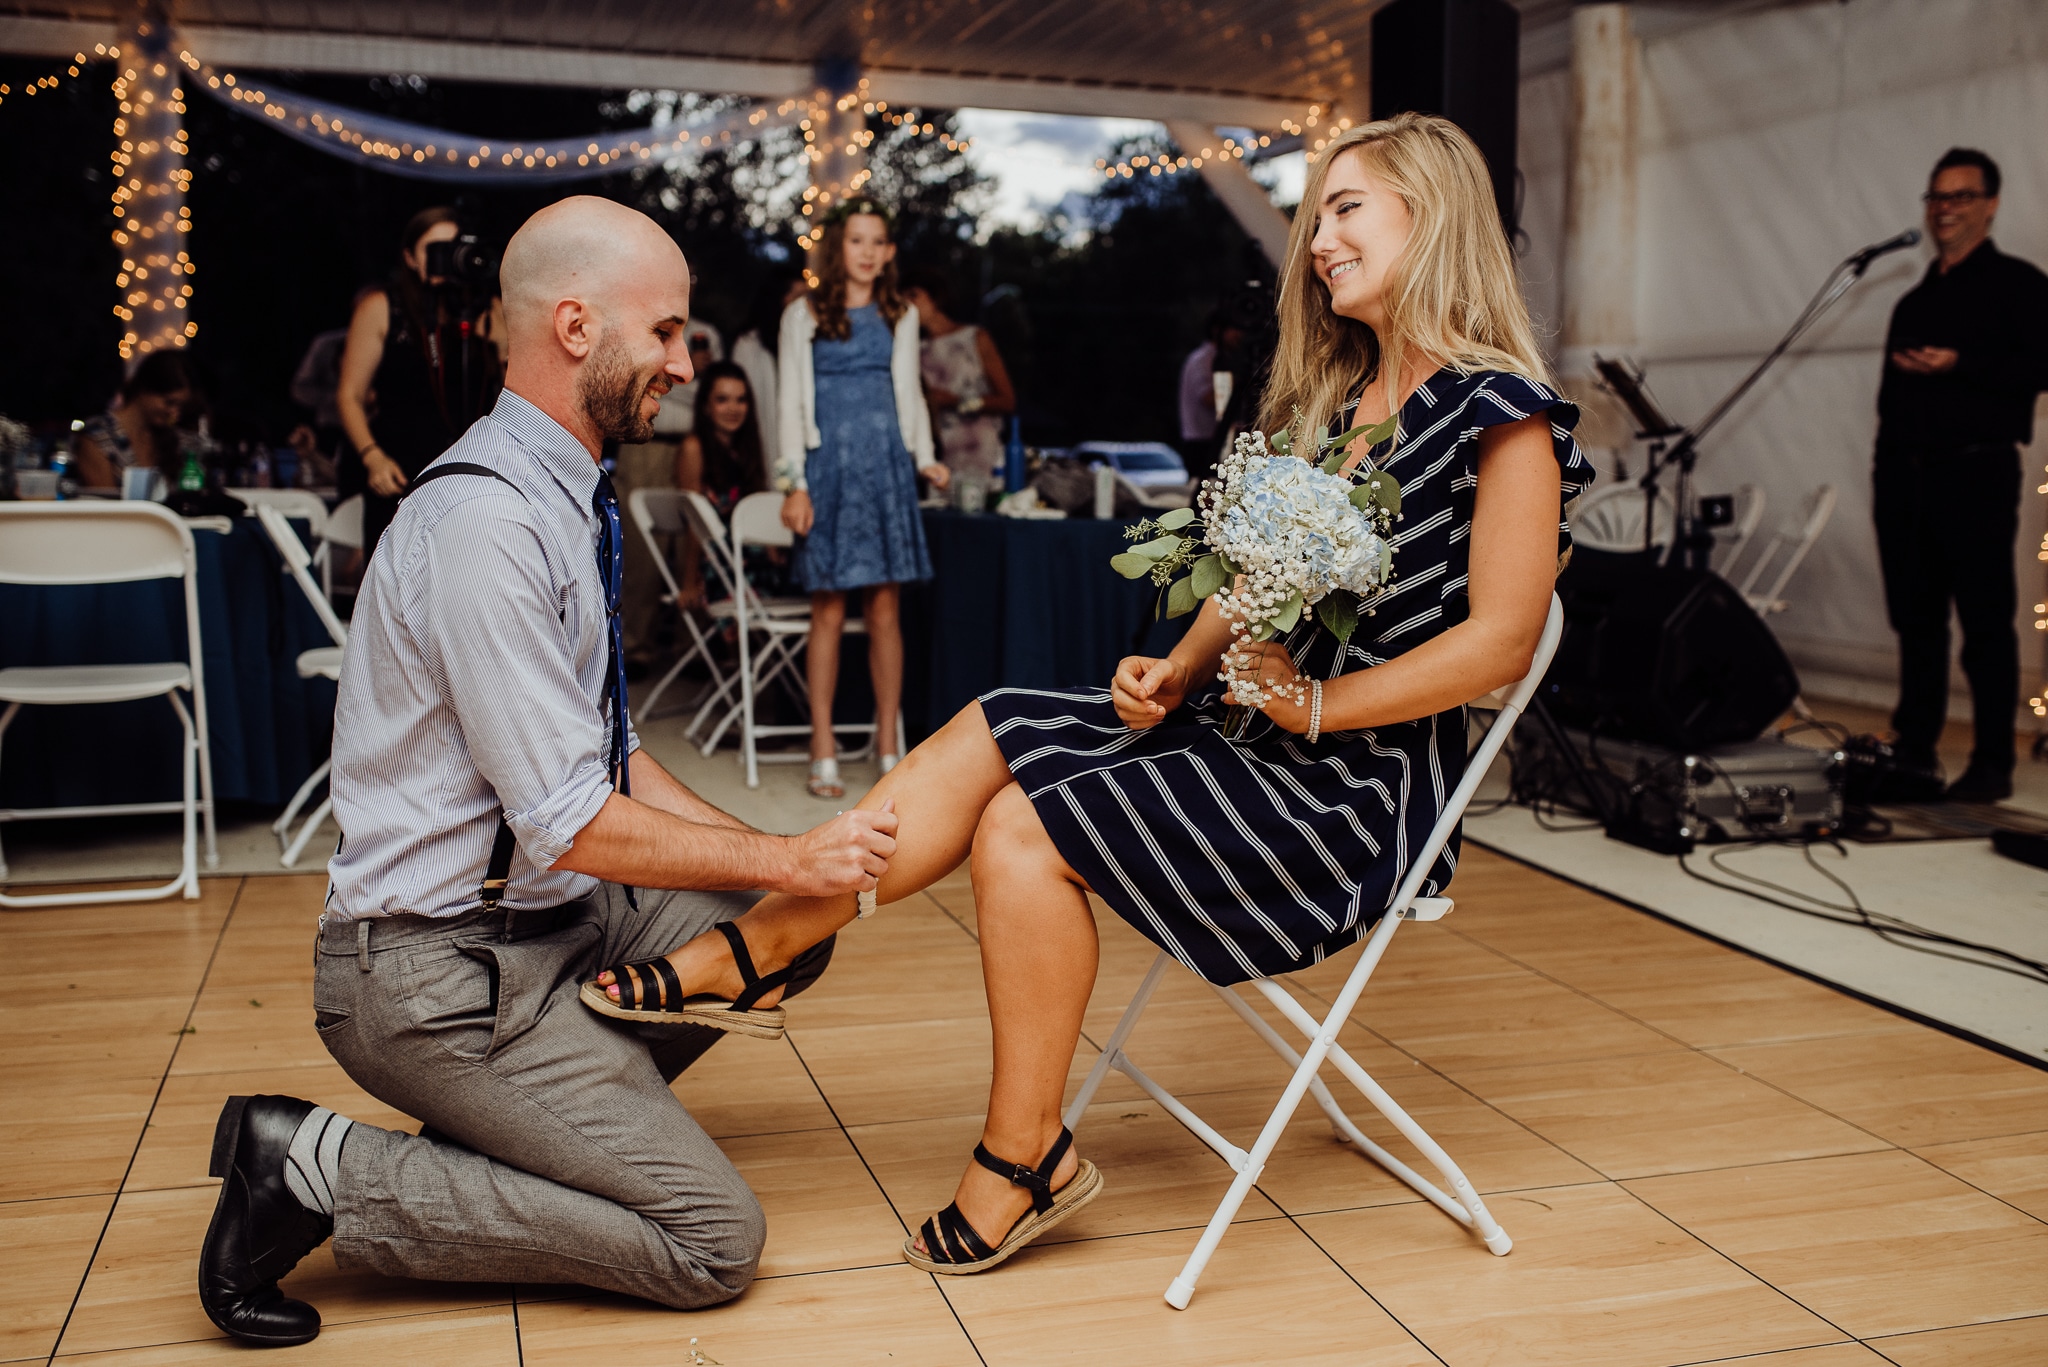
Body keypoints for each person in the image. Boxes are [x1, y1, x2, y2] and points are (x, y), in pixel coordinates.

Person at [589, 113, 1590, 1277]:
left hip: (1351, 795)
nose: (1316, 238)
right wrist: (1179, 665)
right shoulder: (1335, 402)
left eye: (1342, 208)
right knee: (989, 721)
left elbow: (1500, 644)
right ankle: (769, 953)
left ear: (1432, 212)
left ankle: (1018, 1152)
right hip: (1246, 734)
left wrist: (1316, 708)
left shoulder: (1499, 413)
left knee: (1024, 824)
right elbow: (1263, 576)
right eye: (1315, 213)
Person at [193, 196, 900, 1347]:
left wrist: (786, 876)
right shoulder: (487, 521)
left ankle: (530, 1120)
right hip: (432, 975)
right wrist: (785, 846)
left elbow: (611, 751)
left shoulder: (565, 490)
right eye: (666, 332)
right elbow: (568, 817)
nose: (684, 360)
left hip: (548, 923)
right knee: (709, 1240)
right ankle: (312, 1166)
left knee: (784, 924)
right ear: (577, 327)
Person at [1874, 147, 2048, 803]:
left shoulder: (2022, 287)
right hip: (1906, 480)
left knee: (1984, 623)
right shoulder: (1914, 302)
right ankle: (1915, 751)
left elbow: (2040, 369)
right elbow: (1888, 408)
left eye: (1959, 197)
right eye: (1936, 198)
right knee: (1917, 624)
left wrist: (1960, 364)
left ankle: (1992, 760)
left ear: (1991, 204)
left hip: (1977, 474)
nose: (1944, 209)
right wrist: (1884, 482)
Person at [775, 200, 950, 798]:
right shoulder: (802, 314)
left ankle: (887, 744)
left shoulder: (899, 312)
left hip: (884, 471)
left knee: (884, 610)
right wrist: (792, 480)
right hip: (826, 472)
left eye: (879, 241)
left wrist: (924, 457)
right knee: (827, 609)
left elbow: (909, 391)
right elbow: (789, 401)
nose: (869, 251)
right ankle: (821, 742)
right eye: (857, 241)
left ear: (890, 251)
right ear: (838, 249)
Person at [336, 206, 505, 559]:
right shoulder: (383, 306)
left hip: (470, 472)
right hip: (400, 470)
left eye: (452, 247)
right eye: (433, 249)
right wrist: (372, 457)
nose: (443, 259)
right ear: (410, 257)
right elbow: (349, 395)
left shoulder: (486, 309)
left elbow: (510, 394)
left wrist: (502, 344)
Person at [905, 268, 1015, 485]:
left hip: (979, 450)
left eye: (913, 295)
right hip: (938, 453)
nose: (907, 304)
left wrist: (957, 402)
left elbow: (1007, 400)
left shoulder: (975, 338)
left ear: (935, 297)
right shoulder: (912, 349)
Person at [675, 359, 769, 606]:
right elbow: (694, 522)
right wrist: (688, 582)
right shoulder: (694, 448)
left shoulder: (745, 449)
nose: (733, 408)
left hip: (751, 558)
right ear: (706, 406)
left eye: (741, 399)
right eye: (722, 399)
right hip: (716, 565)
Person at [72, 350, 197, 490]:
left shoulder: (171, 439)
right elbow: (104, 505)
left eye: (180, 406)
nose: (175, 412)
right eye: (169, 402)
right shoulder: (97, 436)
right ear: (144, 390)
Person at [731, 271, 805, 481]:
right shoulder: (748, 345)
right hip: (758, 442)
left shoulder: (804, 344)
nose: (804, 303)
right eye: (799, 295)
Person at [1175, 311, 1223, 479]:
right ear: (1217, 330)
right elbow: (1207, 398)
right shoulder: (1203, 360)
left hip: (1207, 440)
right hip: (1201, 441)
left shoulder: (1209, 358)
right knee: (1205, 494)